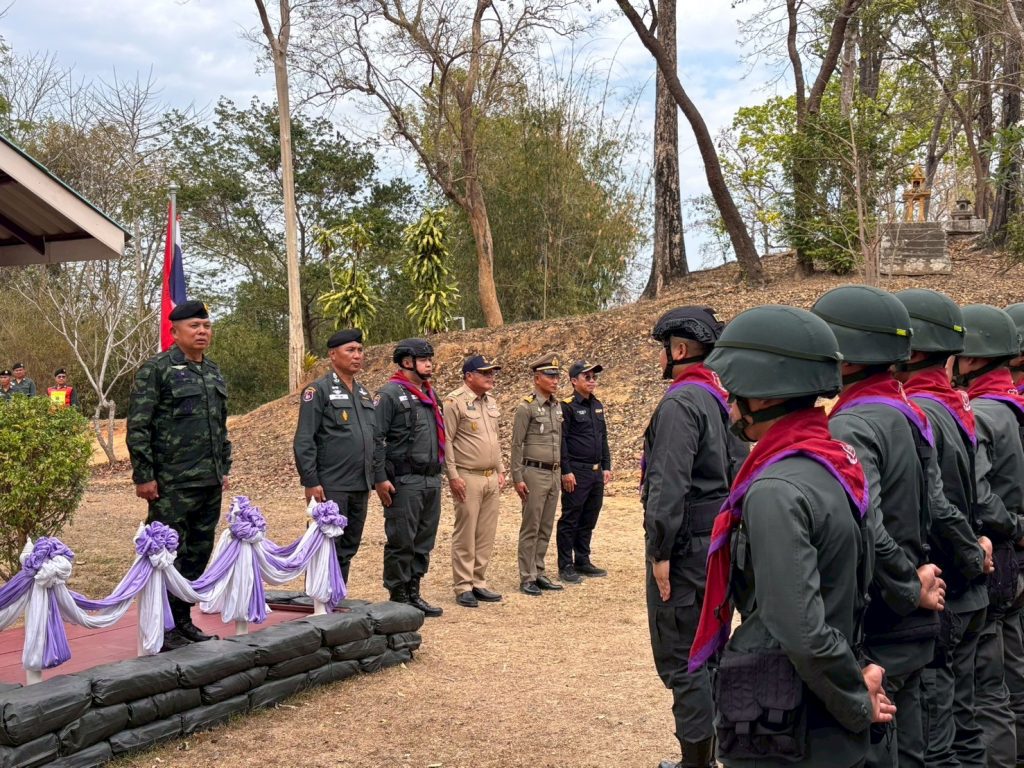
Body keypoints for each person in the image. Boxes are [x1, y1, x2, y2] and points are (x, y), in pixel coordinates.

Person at [690, 304, 892, 768]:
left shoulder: (775, 489)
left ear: (763, 398)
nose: (729, 405)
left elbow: (800, 629)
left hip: (791, 724)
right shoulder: (833, 462)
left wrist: (855, 697)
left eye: (736, 393)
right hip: (821, 710)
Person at [812, 284, 948, 768]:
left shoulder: (851, 424)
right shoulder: (904, 410)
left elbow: (868, 525)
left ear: (848, 357)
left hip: (885, 618)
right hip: (910, 615)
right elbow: (936, 504)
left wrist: (909, 586)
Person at [642, 306, 746, 768]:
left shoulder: (681, 402)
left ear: (679, 350)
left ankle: (695, 763)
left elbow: (668, 485)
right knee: (713, 652)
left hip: (686, 550)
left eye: (664, 350)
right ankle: (717, 754)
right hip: (718, 543)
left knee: (685, 658)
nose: (661, 358)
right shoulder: (722, 398)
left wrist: (660, 552)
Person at [895, 288, 992, 768]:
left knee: (937, 740)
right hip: (967, 583)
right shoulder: (952, 404)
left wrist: (971, 551)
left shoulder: (921, 410)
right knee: (964, 724)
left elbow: (936, 503)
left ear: (913, 352)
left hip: (945, 588)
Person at [126, 300, 231, 651]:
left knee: (197, 554)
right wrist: (144, 475)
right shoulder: (157, 370)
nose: (202, 332)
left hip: (208, 481)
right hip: (171, 483)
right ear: (175, 332)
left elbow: (220, 426)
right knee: (166, 555)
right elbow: (139, 426)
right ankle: (163, 627)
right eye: (194, 326)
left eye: (206, 326)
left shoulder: (212, 371)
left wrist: (223, 468)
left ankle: (182, 621)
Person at [954, 303, 1024, 767]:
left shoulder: (980, 413)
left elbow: (980, 498)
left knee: (985, 688)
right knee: (1010, 673)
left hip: (996, 551)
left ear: (975, 357)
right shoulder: (1011, 406)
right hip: (1012, 552)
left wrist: (1012, 528)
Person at [293, 328, 375, 584]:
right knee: (325, 546)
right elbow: (304, 439)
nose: (357, 355)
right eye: (350, 350)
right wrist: (310, 481)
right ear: (332, 355)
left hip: (360, 484)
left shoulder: (363, 393)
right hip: (331, 485)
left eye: (360, 350)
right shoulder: (318, 391)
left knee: (348, 546)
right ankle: (318, 600)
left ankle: (337, 596)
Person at [373, 338, 445, 618]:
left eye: (430, 359)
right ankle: (398, 595)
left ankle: (414, 590)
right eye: (423, 359)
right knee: (401, 540)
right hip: (404, 481)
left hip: (430, 479)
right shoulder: (389, 394)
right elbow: (376, 439)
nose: (429, 363)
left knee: (424, 540)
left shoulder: (430, 394)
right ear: (406, 362)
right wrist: (380, 478)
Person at [444, 354, 505, 608]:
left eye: (492, 372)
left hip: (490, 476)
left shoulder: (490, 401)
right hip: (467, 476)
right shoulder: (454, 401)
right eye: (485, 372)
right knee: (466, 533)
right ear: (469, 376)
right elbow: (447, 440)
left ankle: (478, 581)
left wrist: (501, 469)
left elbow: (494, 439)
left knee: (486, 533)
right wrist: (453, 475)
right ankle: (463, 585)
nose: (491, 377)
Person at [511, 352, 565, 597]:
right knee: (531, 526)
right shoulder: (527, 407)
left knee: (545, 526)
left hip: (553, 472)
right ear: (537, 378)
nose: (555, 380)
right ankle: (527, 576)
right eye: (550, 376)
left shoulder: (556, 406)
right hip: (534, 471)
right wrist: (517, 477)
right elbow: (516, 444)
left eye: (557, 376)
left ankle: (539, 570)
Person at [557, 360, 611, 584]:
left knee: (589, 516)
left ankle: (582, 559)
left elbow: (603, 437)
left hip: (596, 471)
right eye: (586, 377)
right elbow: (562, 441)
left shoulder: (597, 405)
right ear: (573, 381)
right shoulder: (567, 406)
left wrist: (607, 465)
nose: (592, 381)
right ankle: (565, 565)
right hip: (576, 471)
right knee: (571, 518)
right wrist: (566, 471)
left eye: (594, 377)